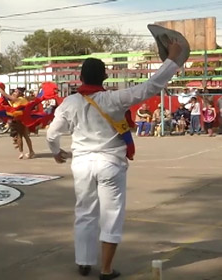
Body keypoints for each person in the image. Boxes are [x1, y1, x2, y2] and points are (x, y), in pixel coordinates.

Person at [46, 41, 182, 279]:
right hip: (110, 162)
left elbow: (51, 134)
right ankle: (106, 269)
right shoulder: (115, 99)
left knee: (85, 212)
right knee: (111, 215)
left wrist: (57, 152)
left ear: (80, 77)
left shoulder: (70, 102)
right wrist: (171, 59)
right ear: (105, 77)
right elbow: (152, 85)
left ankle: (85, 262)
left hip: (81, 163)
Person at [0, 85, 35, 159]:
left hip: (21, 120)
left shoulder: (19, 99)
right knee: (22, 136)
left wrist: (0, 89)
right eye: (14, 91)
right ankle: (28, 151)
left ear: (20, 93)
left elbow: (7, 95)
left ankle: (25, 152)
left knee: (21, 136)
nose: (14, 92)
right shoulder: (19, 99)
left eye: (16, 91)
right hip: (18, 119)